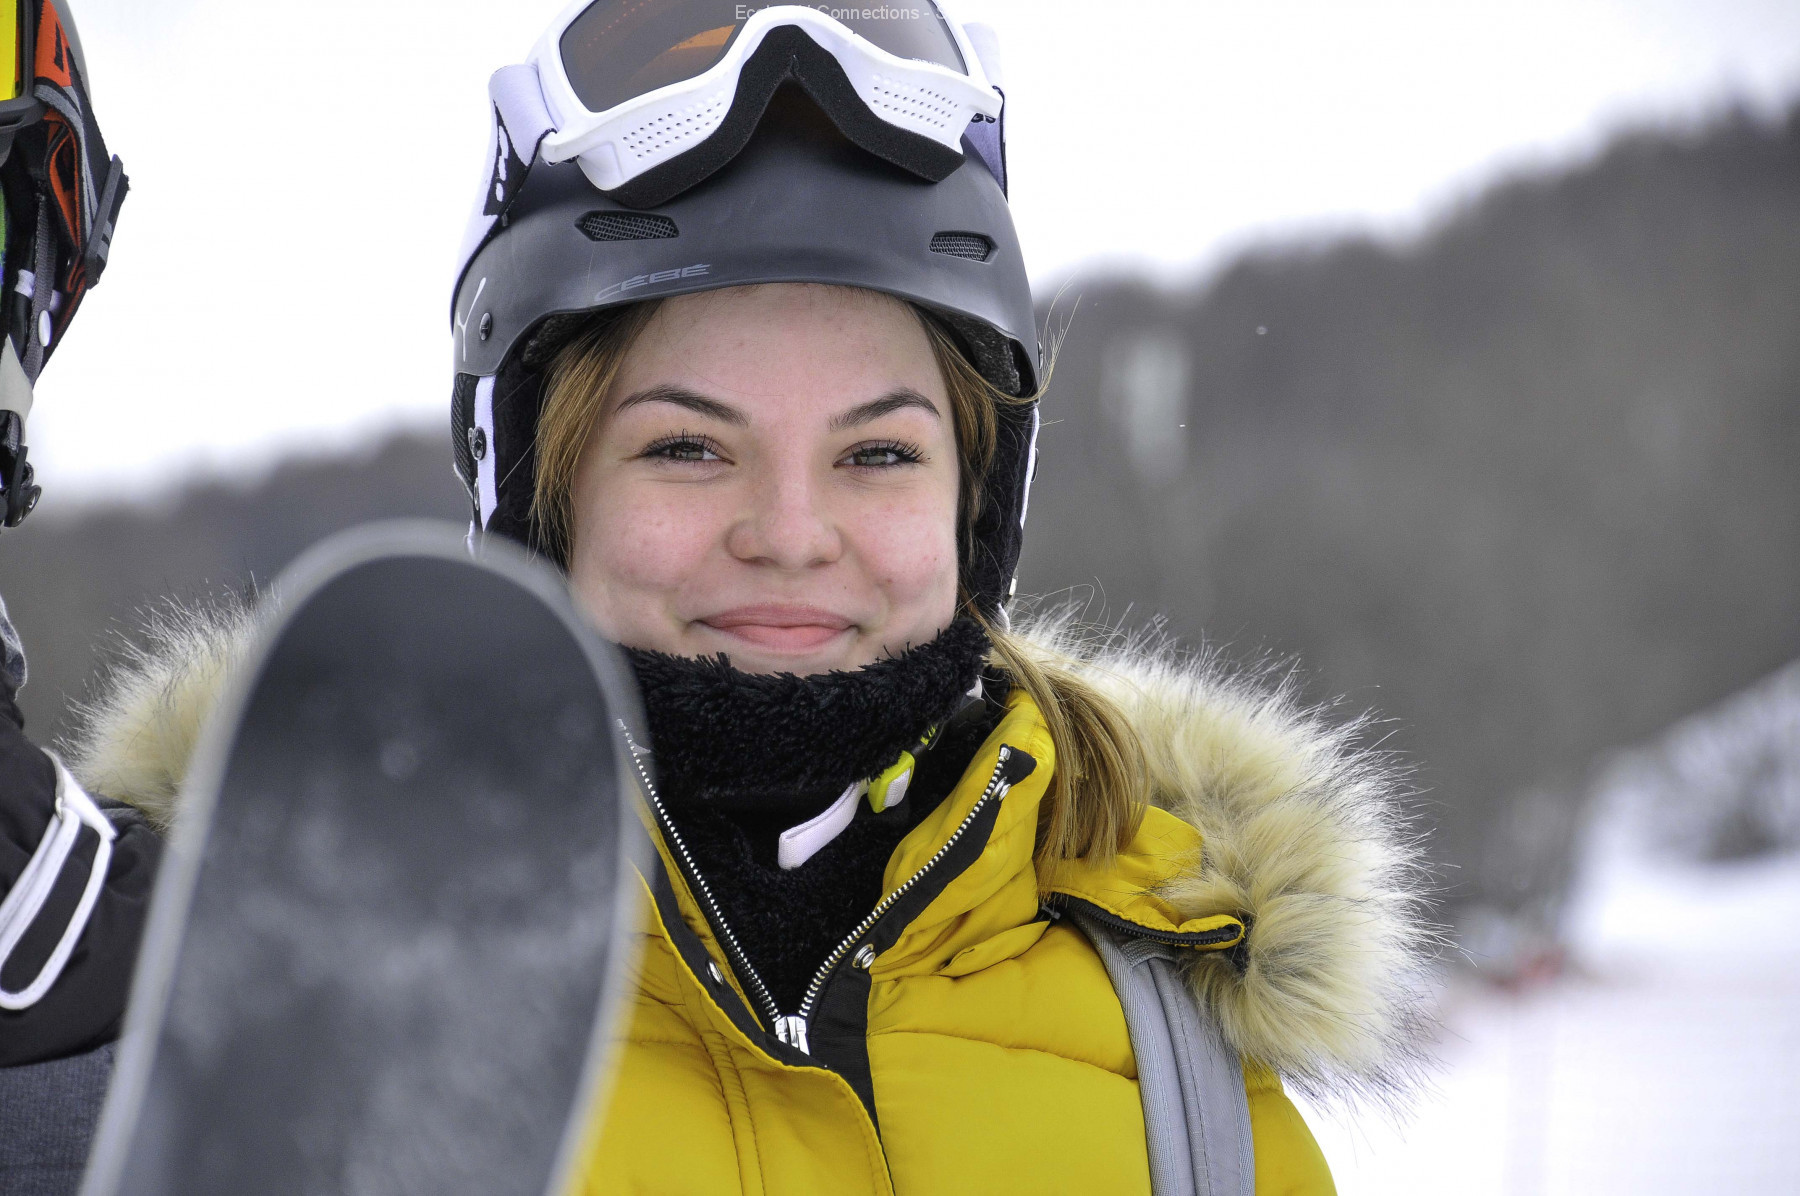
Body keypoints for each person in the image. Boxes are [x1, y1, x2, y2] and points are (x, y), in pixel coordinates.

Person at [6, 3, 1434, 1193]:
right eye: (688, 448)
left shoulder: (1181, 1053)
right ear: (540, 494)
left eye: (879, 453)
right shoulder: (238, 1008)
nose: (791, 536)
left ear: (976, 504)